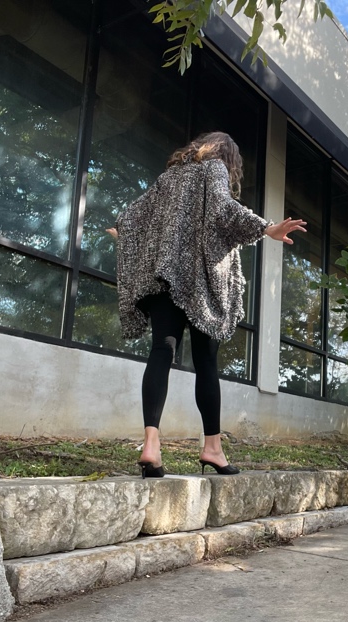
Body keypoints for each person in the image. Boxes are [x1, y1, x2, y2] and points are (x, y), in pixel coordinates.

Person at [107, 131, 306, 478]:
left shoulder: (167, 178)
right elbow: (223, 210)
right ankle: (212, 448)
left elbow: (133, 214)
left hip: (164, 278)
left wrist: (125, 235)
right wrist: (267, 228)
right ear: (228, 157)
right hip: (200, 281)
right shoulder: (213, 170)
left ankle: (151, 446)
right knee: (206, 363)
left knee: (161, 351)